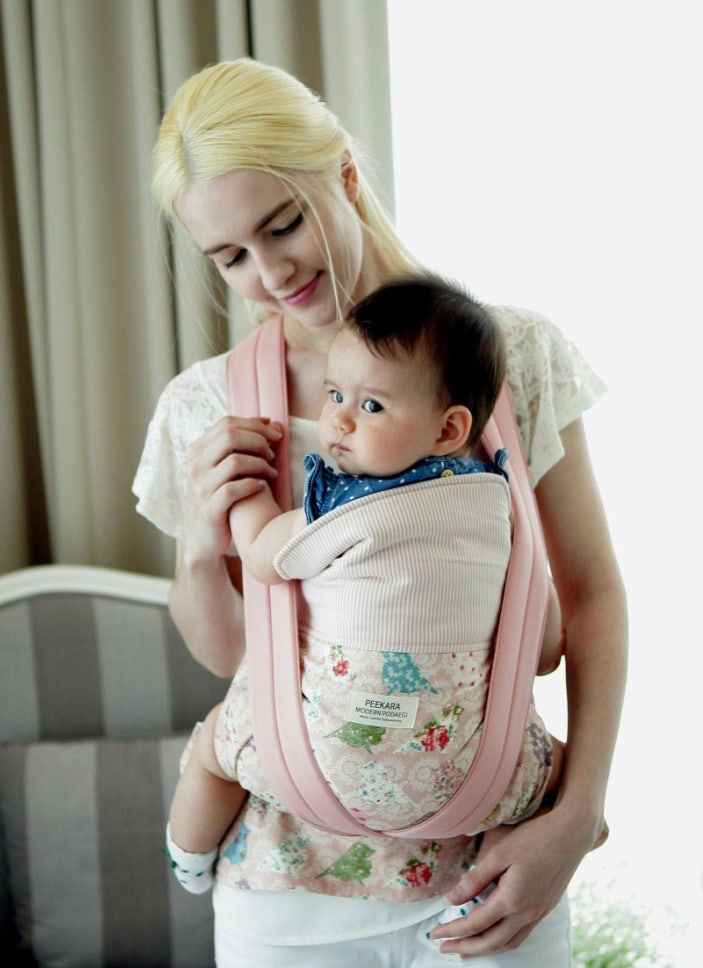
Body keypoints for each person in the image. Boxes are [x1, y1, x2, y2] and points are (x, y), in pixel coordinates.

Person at [133, 57, 627, 964]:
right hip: (286, 898)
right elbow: (231, 655)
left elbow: (589, 597)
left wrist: (577, 812)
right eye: (230, 257)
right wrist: (203, 545)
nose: (270, 271)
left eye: (282, 224)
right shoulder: (205, 407)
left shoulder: (511, 356)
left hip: (494, 878)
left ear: (346, 173)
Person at [165, 273, 567, 896]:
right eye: (334, 394)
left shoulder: (346, 504)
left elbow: (266, 555)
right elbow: (543, 649)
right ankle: (554, 843)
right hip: (472, 774)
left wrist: (247, 497)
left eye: (371, 406)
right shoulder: (500, 505)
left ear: (448, 429)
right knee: (556, 769)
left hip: (328, 764)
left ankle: (188, 860)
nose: (339, 422)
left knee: (216, 750)